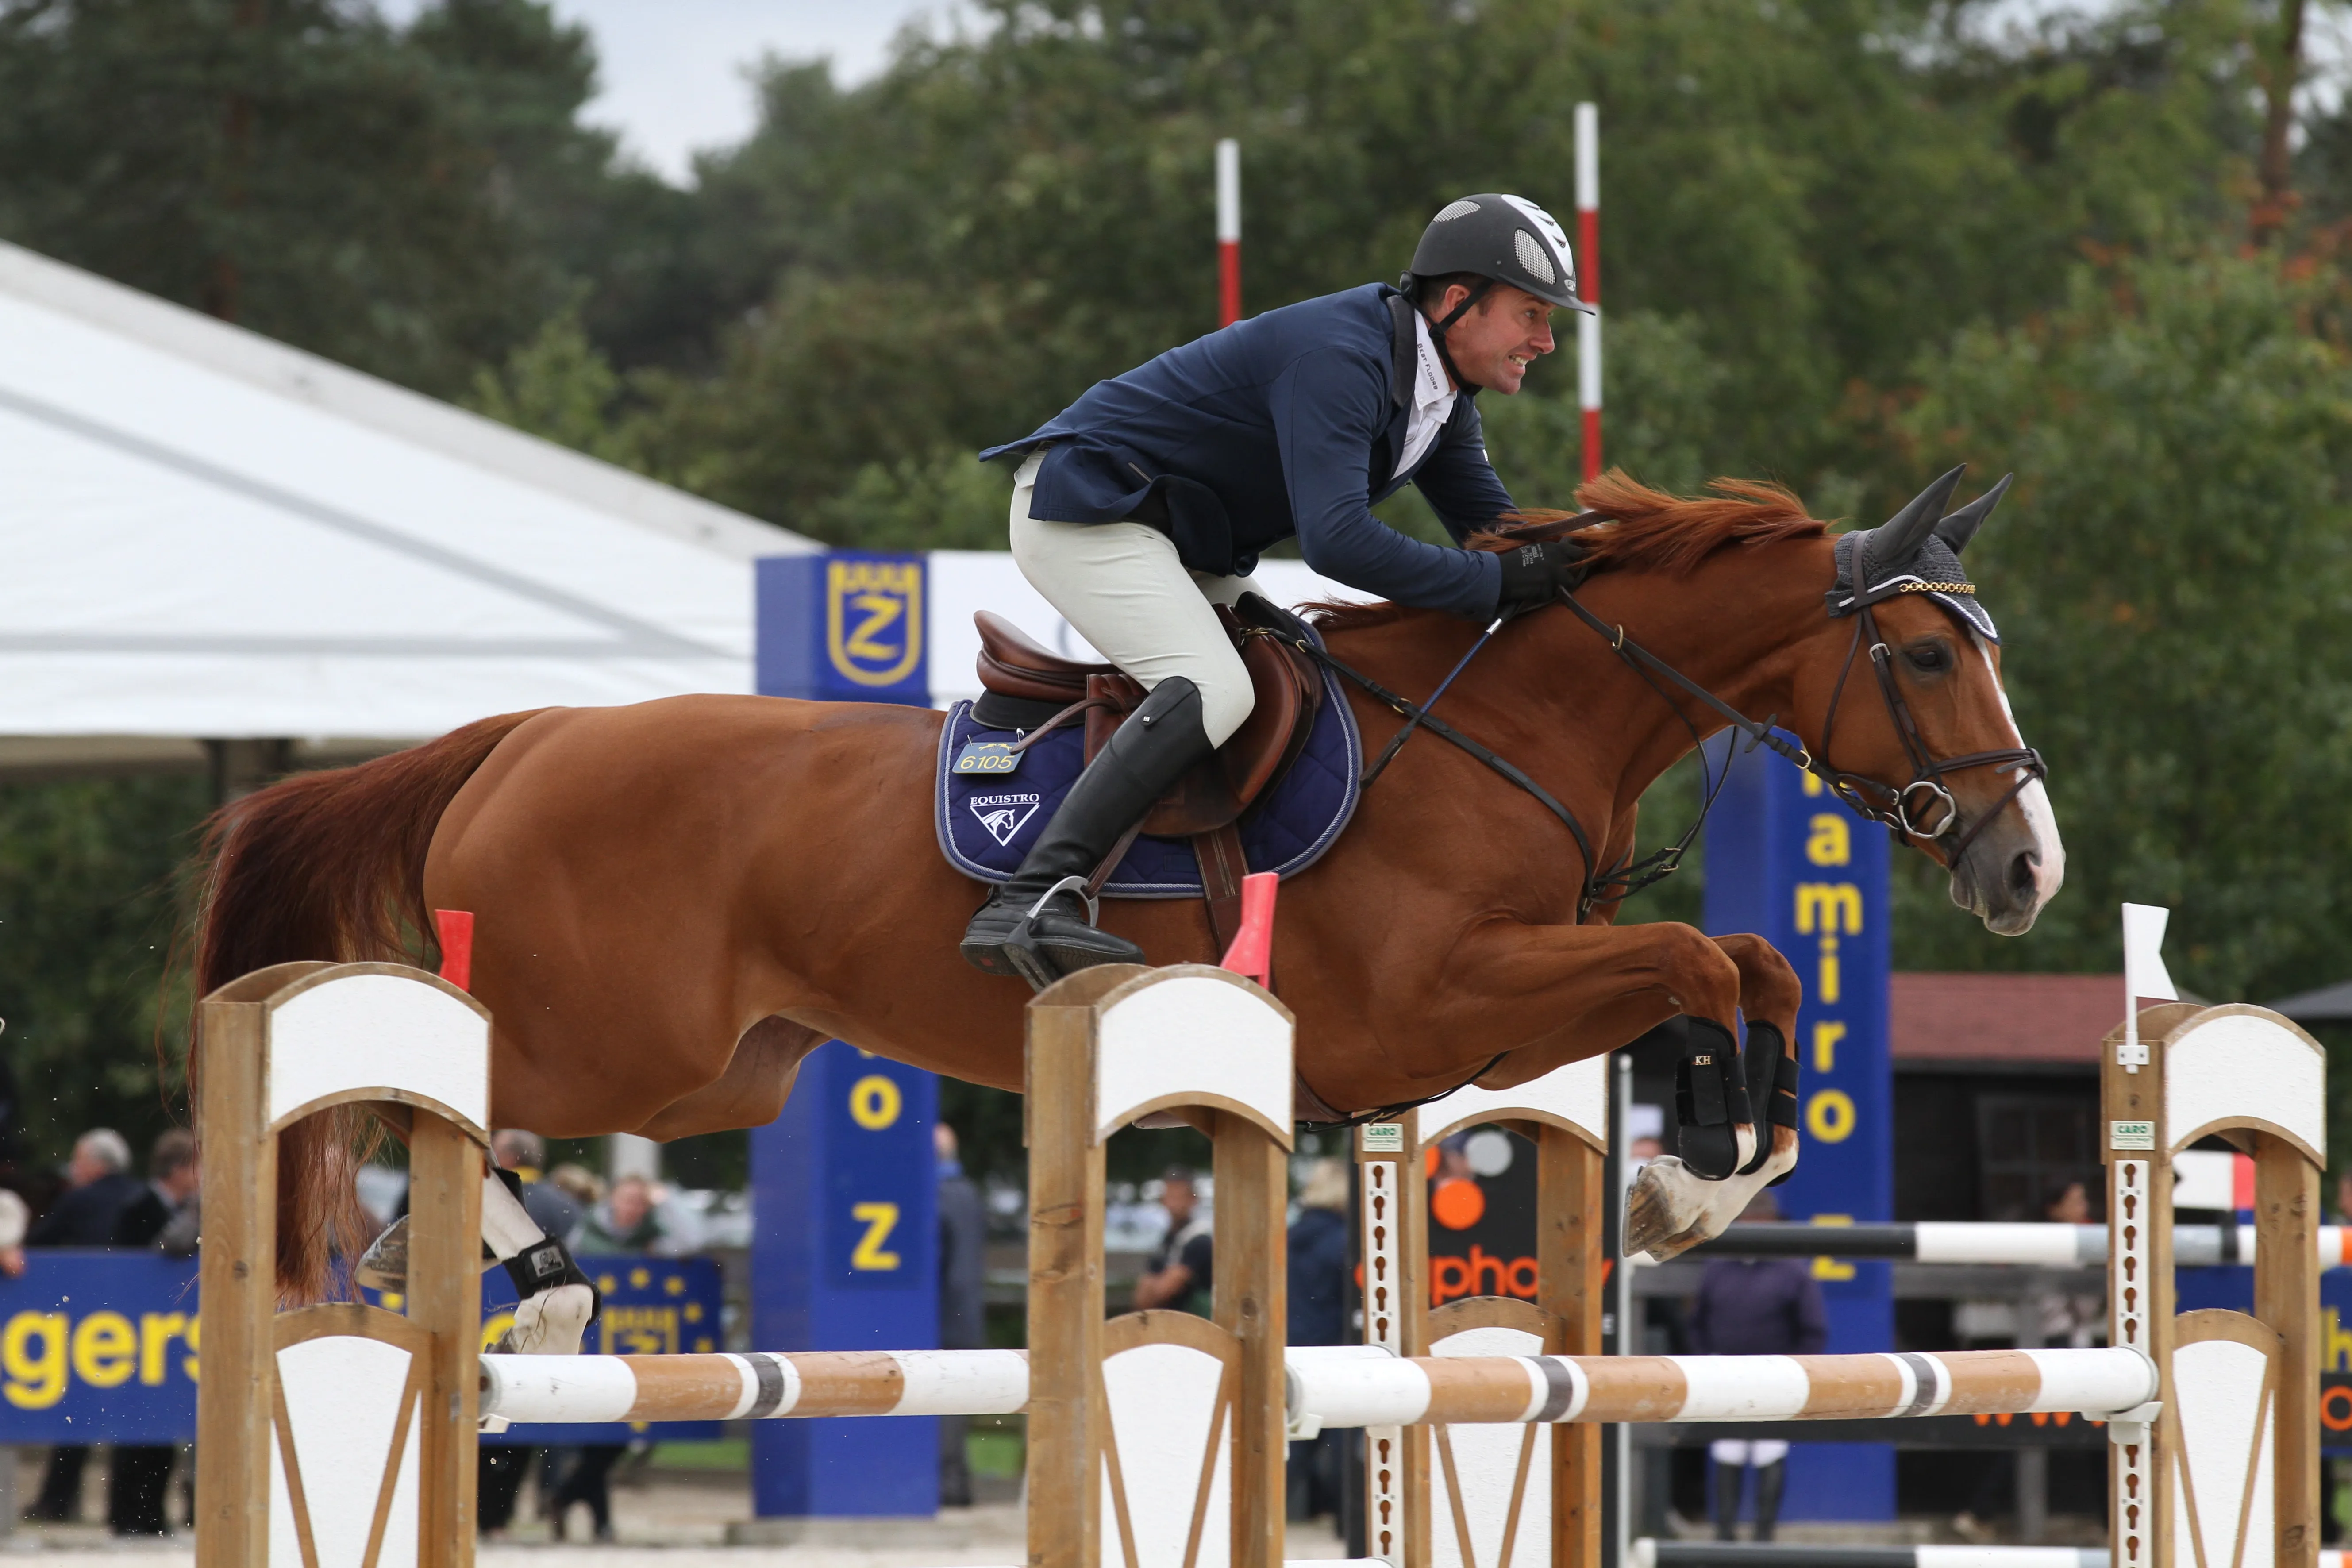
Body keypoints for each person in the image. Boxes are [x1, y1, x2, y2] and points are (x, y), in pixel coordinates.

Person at [962, 194, 1594, 982]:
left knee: (1308, 681)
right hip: (1089, 509)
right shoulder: (1345, 356)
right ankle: (1031, 896)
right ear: (1457, 301)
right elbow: (1339, 540)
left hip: (1176, 539)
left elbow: (1502, 533)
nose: (1548, 339)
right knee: (1217, 689)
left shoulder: (1439, 394)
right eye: (1532, 313)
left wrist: (1629, 556)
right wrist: (1494, 581)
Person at [1686, 1193, 1826, 1542]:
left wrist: (1792, 1374)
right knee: (1726, 1452)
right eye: (1746, 1219)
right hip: (1723, 1380)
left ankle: (1765, 1540)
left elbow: (1813, 1331)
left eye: (1761, 1220)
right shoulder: (1717, 1268)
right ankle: (1725, 1541)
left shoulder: (1793, 1272)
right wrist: (1708, 1364)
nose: (1753, 1226)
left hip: (1775, 1381)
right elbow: (1696, 1323)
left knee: (1769, 1453)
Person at [24, 1128, 144, 1525]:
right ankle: (135, 1508)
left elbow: (36, 1245)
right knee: (138, 1417)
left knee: (78, 1414)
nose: (73, 1169)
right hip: (140, 1326)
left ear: (96, 1163)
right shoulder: (139, 1196)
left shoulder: (78, 1201)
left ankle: (57, 1501)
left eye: (78, 1160)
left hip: (87, 1328)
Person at [104, 1131, 200, 1536]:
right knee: (134, 1425)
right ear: (178, 1169)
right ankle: (126, 1512)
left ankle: (153, 1514)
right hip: (133, 1331)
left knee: (163, 1428)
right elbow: (128, 1261)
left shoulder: (179, 1208)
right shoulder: (139, 1207)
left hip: (168, 1332)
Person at [1286, 1159, 1352, 1527]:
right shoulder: (1344, 1241)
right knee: (1344, 1436)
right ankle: (1346, 1522)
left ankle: (1265, 1512)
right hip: (1334, 1349)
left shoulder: (1291, 1236)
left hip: (1294, 1348)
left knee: (1296, 1438)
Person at [935, 1124, 989, 1507]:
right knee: (954, 1405)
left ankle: (951, 1485)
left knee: (943, 1406)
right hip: (968, 1311)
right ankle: (958, 1483)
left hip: (944, 1312)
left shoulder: (936, 1198)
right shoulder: (969, 1194)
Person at [1134, 1167, 1213, 1314]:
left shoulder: (1199, 1240)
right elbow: (1142, 1297)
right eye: (1170, 1196)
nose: (1174, 1204)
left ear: (1193, 1200)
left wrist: (1155, 1286)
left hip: (1194, 1327)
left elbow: (1164, 1291)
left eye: (1180, 1197)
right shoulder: (1168, 1239)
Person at [568, 1175, 686, 1256]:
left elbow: (692, 1243)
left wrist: (667, 1199)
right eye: (628, 1200)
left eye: (640, 1202)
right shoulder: (587, 1230)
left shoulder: (655, 1234)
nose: (632, 1208)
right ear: (613, 1198)